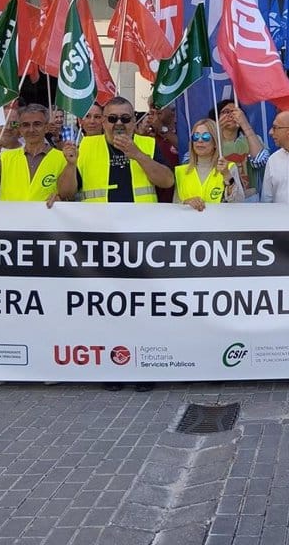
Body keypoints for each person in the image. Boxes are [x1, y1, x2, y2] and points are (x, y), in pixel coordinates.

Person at [58, 97, 174, 391]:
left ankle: (144, 367)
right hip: (99, 240)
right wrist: (70, 165)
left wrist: (138, 155)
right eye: (112, 119)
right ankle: (112, 367)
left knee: (142, 307)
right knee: (106, 308)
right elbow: (66, 192)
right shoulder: (85, 146)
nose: (119, 124)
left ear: (134, 121)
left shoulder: (147, 145)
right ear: (103, 121)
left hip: (141, 240)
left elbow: (166, 181)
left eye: (125, 118)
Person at [0, 104, 66, 203]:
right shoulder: (6, 158)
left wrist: (61, 198)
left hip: (44, 215)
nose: (31, 130)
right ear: (20, 129)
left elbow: (69, 194)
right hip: (8, 215)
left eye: (37, 124)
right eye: (25, 125)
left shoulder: (62, 158)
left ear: (47, 127)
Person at [175, 118, 235, 210]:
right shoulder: (181, 171)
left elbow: (238, 201)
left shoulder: (229, 168)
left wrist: (227, 176)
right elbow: (174, 207)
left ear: (215, 142)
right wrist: (186, 202)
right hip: (189, 219)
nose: (200, 140)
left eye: (206, 137)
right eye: (196, 136)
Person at [213, 99, 267, 198]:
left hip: (250, 199)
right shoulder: (210, 142)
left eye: (235, 112)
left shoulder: (253, 139)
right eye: (226, 112)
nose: (231, 115)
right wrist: (215, 129)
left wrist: (244, 123)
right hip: (220, 198)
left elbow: (260, 160)